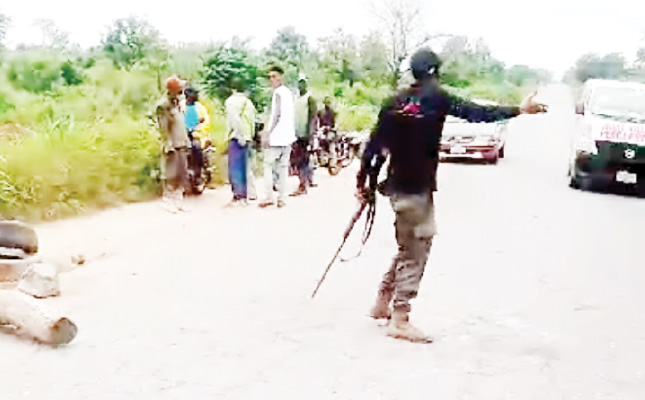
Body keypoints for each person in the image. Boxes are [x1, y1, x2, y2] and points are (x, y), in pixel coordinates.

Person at [356, 48, 546, 343]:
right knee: (417, 248)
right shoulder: (439, 98)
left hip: (395, 187)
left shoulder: (393, 102)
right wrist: (518, 110)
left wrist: (364, 184)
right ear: (436, 70)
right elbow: (478, 113)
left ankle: (382, 301)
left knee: (409, 244)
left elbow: (374, 148)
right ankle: (400, 317)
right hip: (417, 189)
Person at [259, 66, 296, 208]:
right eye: (270, 77)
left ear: (280, 77)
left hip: (278, 136)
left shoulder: (278, 93)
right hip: (288, 135)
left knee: (268, 165)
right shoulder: (288, 93)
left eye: (274, 76)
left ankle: (269, 196)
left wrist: (267, 132)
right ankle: (281, 198)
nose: (272, 80)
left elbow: (276, 114)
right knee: (283, 167)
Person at [157, 75, 190, 213]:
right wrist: (167, 143)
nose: (182, 90)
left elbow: (181, 123)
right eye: (179, 88)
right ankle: (168, 201)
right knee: (171, 174)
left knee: (182, 174)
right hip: (173, 144)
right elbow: (163, 127)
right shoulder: (163, 105)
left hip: (181, 142)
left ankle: (178, 201)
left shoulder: (178, 103)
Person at [224, 78, 257, 205]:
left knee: (235, 168)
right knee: (244, 168)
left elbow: (234, 120)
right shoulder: (249, 103)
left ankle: (237, 196)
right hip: (248, 138)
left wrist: (239, 135)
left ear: (232, 89)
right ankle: (244, 196)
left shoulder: (231, 102)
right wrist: (249, 136)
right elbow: (252, 122)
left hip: (237, 138)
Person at [290, 77, 318, 196]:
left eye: (303, 84)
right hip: (296, 135)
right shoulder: (296, 99)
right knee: (299, 160)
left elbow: (313, 117)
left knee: (302, 160)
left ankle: (303, 185)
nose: (300, 86)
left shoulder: (310, 99)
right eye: (299, 84)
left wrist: (310, 135)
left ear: (306, 85)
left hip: (305, 135)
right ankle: (304, 182)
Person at [184, 87, 210, 177]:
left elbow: (206, 122)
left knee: (196, 147)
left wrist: (196, 130)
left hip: (197, 135)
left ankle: (198, 172)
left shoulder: (200, 108)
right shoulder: (181, 106)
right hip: (183, 135)